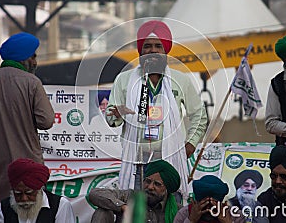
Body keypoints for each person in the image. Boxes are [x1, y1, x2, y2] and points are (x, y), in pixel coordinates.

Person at [105, 20, 208, 197]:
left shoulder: (180, 79)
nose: (152, 51)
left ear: (166, 50)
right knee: (136, 207)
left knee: (170, 208)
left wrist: (191, 142)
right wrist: (118, 114)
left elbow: (199, 114)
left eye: (158, 46)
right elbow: (111, 117)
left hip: (170, 160)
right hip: (137, 161)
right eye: (147, 46)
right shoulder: (124, 79)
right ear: (140, 51)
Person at [0, 32, 55, 214]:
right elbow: (46, 121)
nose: (36, 62)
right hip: (28, 163)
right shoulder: (32, 83)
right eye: (34, 56)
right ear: (25, 58)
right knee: (27, 210)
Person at [89, 159, 181, 223]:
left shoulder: (177, 211)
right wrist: (123, 207)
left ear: (166, 189)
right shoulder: (129, 196)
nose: (150, 187)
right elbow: (95, 194)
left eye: (157, 184)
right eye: (147, 181)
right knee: (103, 210)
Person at [0, 158, 75, 223]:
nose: (24, 198)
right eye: (18, 194)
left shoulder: (60, 206)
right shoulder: (4, 207)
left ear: (39, 189)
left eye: (29, 193)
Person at [173, 175, 245, 223]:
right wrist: (191, 220)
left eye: (212, 206)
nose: (208, 210)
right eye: (204, 205)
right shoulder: (184, 213)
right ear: (195, 202)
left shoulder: (236, 215)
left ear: (222, 203)